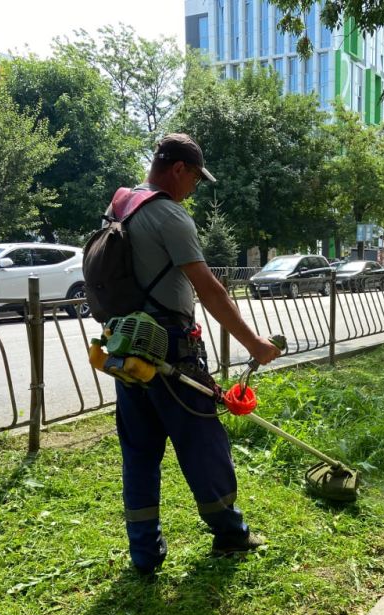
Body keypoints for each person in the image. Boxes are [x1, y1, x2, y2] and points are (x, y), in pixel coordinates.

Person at [114, 133, 280, 576]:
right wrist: (254, 344)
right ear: (179, 169)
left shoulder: (122, 207)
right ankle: (230, 534)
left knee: (140, 452)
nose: (194, 189)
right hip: (171, 349)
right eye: (195, 180)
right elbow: (209, 288)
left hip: (128, 346)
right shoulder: (169, 214)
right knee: (204, 444)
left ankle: (143, 555)